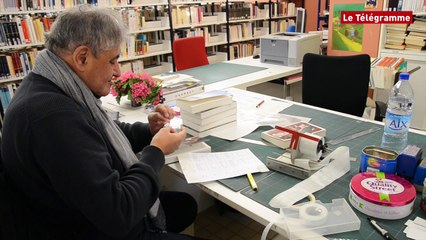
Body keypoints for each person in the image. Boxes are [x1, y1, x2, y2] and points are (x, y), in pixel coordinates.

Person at [0, 5, 201, 240]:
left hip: (84, 211)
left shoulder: (53, 85)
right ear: (82, 57)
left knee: (186, 205)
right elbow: (118, 213)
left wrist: (149, 130)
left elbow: (98, 133)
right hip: (90, 228)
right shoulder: (53, 117)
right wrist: (156, 151)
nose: (118, 71)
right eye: (113, 60)